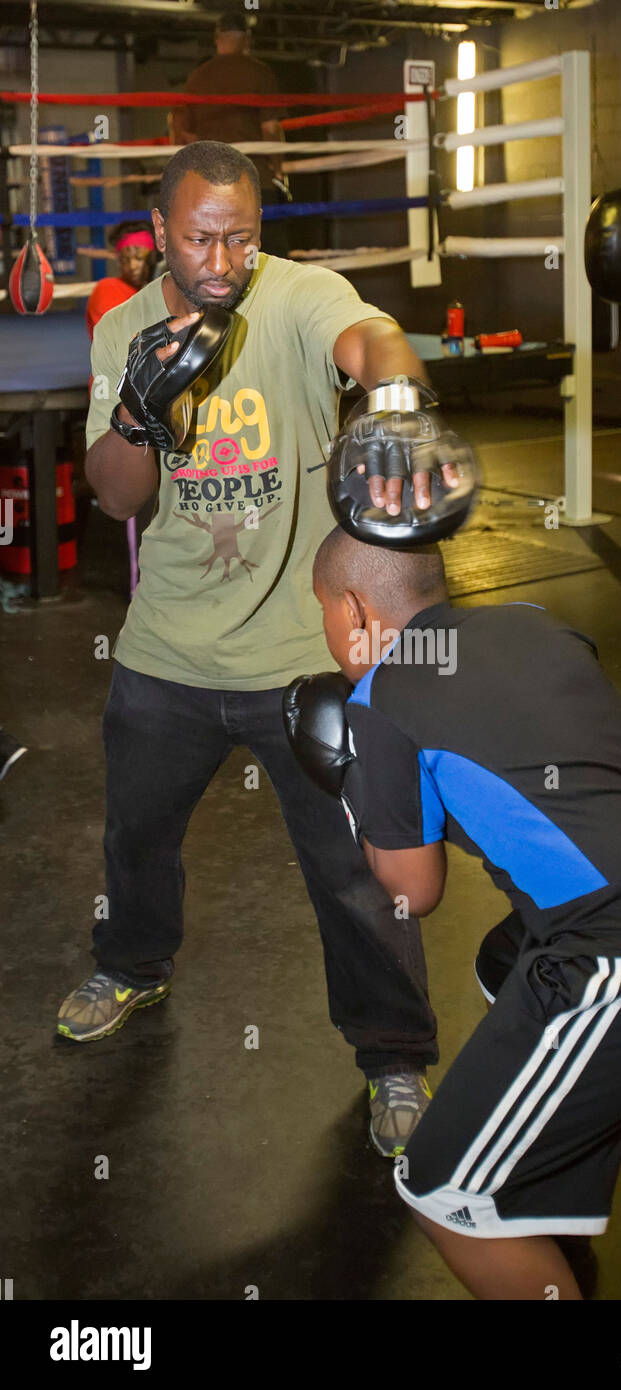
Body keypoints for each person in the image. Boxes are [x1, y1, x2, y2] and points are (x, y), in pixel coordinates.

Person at [56, 139, 466, 1158]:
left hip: (302, 654)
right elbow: (115, 494)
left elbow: (373, 339)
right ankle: (131, 964)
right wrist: (139, 415)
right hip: (167, 650)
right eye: (201, 237)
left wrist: (401, 404)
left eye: (240, 236)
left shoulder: (297, 298)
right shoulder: (122, 328)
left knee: (355, 869)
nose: (222, 258)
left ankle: (392, 1056)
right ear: (161, 233)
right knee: (136, 842)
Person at [299, 527, 621, 1298]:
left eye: (321, 613)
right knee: (500, 965)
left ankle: (506, 1193)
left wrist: (356, 789)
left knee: (445, 1192)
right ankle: (542, 1190)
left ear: (352, 610)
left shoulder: (381, 702)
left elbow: (415, 891)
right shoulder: (534, 621)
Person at [169, 10, 291, 258]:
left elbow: (185, 134)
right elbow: (270, 128)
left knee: (220, 258)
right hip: (255, 179)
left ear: (217, 38)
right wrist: (278, 170)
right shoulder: (260, 72)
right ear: (248, 39)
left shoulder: (198, 77)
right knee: (271, 258)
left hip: (211, 186)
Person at [84, 221, 159, 595]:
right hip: (120, 408)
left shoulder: (164, 287)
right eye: (126, 255)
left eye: (140, 254)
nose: (133, 263)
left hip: (162, 406)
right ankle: (138, 591)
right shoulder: (107, 292)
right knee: (136, 512)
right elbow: (135, 349)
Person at [85, 221, 158, 340]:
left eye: (139, 259)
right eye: (125, 260)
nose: (132, 266)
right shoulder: (108, 289)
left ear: (151, 259)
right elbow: (116, 343)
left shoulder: (160, 289)